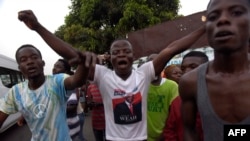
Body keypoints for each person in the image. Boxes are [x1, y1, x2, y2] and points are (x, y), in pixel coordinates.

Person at [17, 9, 205, 140]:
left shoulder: (145, 73)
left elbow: (171, 49)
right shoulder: (102, 75)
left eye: (126, 51)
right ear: (110, 58)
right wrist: (38, 27)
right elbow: (71, 54)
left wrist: (204, 28)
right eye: (116, 52)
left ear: (133, 56)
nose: (121, 54)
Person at [179, 0, 250, 141]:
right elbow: (188, 130)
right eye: (213, 17)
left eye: (236, 12)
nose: (222, 20)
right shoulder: (190, 82)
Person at [0, 44, 93, 141]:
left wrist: (83, 63)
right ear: (20, 68)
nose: (30, 62)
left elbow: (77, 80)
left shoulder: (58, 81)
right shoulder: (15, 92)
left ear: (43, 63)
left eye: (34, 57)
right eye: (23, 60)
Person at [164, 51, 209, 141]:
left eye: (193, 67)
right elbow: (170, 131)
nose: (186, 72)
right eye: (183, 68)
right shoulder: (177, 102)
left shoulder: (221, 98)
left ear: (207, 70)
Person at [146, 54, 178, 141]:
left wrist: (165, 134)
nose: (154, 66)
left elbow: (174, 114)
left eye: (157, 63)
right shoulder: (141, 85)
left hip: (166, 137)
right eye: (151, 64)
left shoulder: (172, 86)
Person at [52, 58, 81, 141]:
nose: (54, 68)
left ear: (66, 71)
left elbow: (72, 105)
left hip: (69, 127)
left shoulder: (67, 84)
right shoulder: (53, 84)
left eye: (58, 66)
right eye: (54, 66)